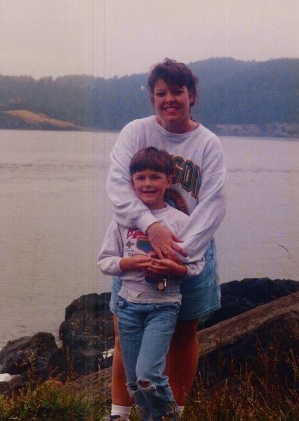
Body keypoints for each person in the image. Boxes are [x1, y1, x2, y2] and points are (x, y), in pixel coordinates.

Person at [102, 58, 227, 421]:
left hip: (191, 251)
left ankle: (175, 414)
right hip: (135, 246)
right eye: (161, 93)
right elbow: (117, 188)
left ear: (192, 95)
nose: (169, 99)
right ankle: (120, 414)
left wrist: (178, 252)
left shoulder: (208, 143)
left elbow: (214, 203)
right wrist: (151, 226)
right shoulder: (135, 133)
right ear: (152, 97)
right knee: (126, 335)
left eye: (177, 92)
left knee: (184, 334)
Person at [98, 147, 205, 421]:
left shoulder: (181, 222)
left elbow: (195, 265)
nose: (147, 183)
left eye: (155, 177)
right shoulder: (122, 220)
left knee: (148, 377)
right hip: (128, 307)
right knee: (134, 382)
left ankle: (170, 417)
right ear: (131, 182)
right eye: (141, 177)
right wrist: (129, 264)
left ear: (168, 180)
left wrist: (173, 268)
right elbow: (105, 261)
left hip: (163, 307)